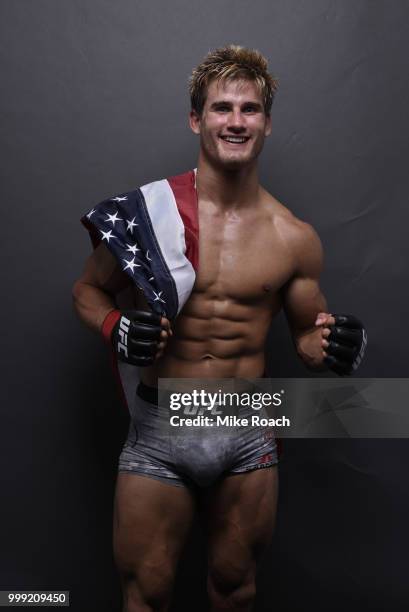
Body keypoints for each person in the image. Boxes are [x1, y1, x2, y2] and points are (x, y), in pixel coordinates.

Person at [72, 45, 367, 612]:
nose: (235, 121)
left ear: (267, 123)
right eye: (221, 108)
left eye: (250, 109)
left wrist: (331, 345)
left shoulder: (293, 237)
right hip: (161, 430)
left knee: (235, 590)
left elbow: (307, 340)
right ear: (196, 119)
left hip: (245, 428)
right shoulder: (148, 217)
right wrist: (114, 325)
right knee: (146, 596)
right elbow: (86, 291)